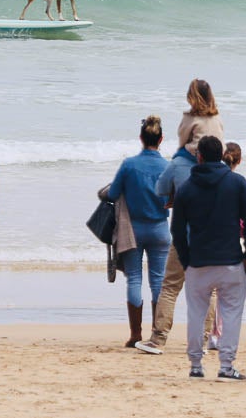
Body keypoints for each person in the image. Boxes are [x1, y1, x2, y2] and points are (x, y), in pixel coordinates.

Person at [171, 134, 246, 381]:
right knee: (231, 313)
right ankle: (226, 366)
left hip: (198, 261)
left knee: (196, 313)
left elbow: (177, 230)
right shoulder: (237, 183)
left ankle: (196, 365)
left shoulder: (186, 188)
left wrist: (186, 260)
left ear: (199, 156)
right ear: (221, 156)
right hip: (230, 260)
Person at [135, 126, 201, 355]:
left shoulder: (178, 164)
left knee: (170, 287)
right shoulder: (218, 167)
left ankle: (158, 339)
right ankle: (203, 340)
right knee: (208, 290)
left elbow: (160, 189)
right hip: (211, 236)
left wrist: (175, 194)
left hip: (184, 234)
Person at [108, 116, 171, 348]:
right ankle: (156, 335)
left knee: (134, 278)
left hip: (133, 228)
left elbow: (113, 193)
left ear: (141, 138)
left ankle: (135, 334)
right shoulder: (168, 166)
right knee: (158, 281)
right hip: (160, 229)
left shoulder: (129, 164)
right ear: (161, 139)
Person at [176, 79, 224, 156]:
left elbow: (182, 140)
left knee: (179, 153)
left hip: (198, 153)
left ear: (191, 98)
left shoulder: (190, 117)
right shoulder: (216, 116)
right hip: (219, 153)